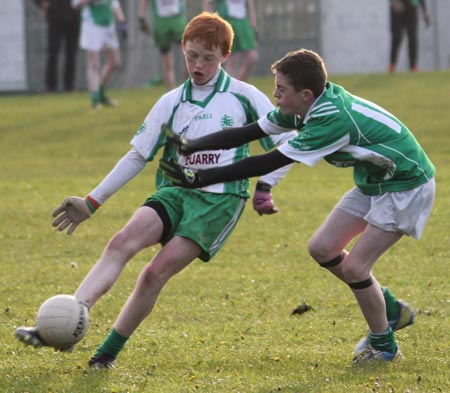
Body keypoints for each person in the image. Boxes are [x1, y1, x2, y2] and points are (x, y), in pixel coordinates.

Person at [14, 12, 296, 369]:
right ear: (183, 50)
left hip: (219, 202)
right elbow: (137, 156)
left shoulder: (245, 97)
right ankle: (70, 319)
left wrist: (266, 186)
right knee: (120, 243)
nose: (198, 65)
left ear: (225, 56)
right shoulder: (171, 101)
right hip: (174, 192)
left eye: (208, 58)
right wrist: (92, 201)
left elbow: (289, 144)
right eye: (192, 55)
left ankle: (106, 354)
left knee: (153, 274)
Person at [159, 48, 436, 364]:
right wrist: (191, 144)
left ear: (305, 94)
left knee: (357, 267)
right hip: (377, 181)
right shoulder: (303, 106)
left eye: (280, 89)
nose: (275, 95)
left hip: (406, 185)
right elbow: (250, 132)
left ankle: (385, 348)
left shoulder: (330, 119)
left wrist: (198, 178)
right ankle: (389, 308)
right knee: (322, 248)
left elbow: (268, 160)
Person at [71, 0, 127, 109]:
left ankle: (100, 91)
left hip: (107, 25)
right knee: (94, 64)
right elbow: (75, 4)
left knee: (115, 62)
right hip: (92, 25)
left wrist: (122, 22)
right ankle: (95, 99)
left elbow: (114, 4)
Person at [203, 0, 258, 81]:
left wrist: (253, 24)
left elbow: (250, 5)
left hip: (243, 23)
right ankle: (230, 89)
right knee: (232, 59)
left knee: (252, 57)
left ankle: (239, 83)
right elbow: (208, 3)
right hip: (228, 22)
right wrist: (209, 22)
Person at [139, 0, 188, 91]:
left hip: (176, 20)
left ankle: (188, 88)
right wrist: (141, 16)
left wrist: (141, 16)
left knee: (187, 56)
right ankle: (171, 93)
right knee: (168, 62)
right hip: (163, 22)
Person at [33, 0, 81, 92]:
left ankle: (70, 86)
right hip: (54, 17)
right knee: (53, 52)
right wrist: (41, 4)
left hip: (73, 16)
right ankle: (51, 86)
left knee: (71, 53)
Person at [388, 0, 430, 73]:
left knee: (412, 38)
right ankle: (392, 65)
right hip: (397, 10)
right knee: (396, 38)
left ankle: (413, 67)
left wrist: (425, 12)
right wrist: (394, 2)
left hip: (411, 10)